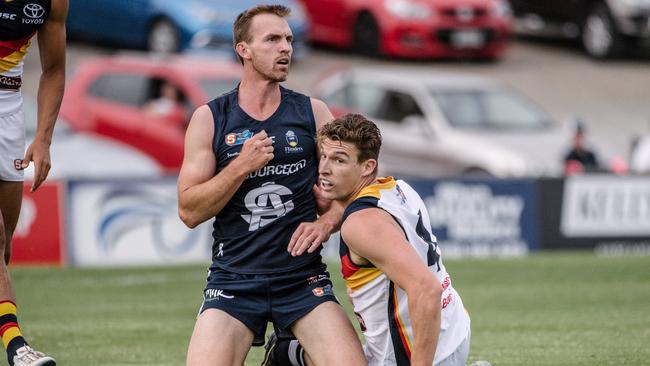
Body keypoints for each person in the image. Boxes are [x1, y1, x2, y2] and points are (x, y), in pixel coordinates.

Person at [177, 4, 366, 366]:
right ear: (243, 49)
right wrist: (240, 167)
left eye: (289, 40)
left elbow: (360, 190)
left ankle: (288, 354)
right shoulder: (210, 118)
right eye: (273, 39)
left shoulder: (313, 113)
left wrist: (328, 222)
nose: (286, 49)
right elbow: (189, 211)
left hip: (302, 279)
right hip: (233, 281)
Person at [264, 114, 477, 366]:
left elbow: (427, 290)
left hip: (420, 354)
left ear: (367, 166)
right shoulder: (399, 188)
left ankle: (286, 352)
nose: (324, 168)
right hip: (455, 332)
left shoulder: (359, 224)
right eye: (324, 156)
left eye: (339, 160)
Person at [0, 1, 66, 365]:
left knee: (5, 250)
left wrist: (43, 138)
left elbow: (54, 69)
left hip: (9, 108)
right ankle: (16, 345)